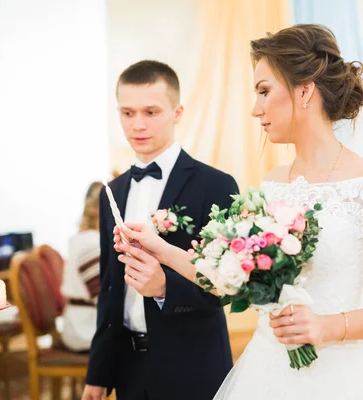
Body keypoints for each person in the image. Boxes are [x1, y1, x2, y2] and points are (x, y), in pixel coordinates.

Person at [114, 25, 363, 399]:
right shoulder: (272, 184)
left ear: (304, 91)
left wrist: (326, 327)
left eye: (264, 91)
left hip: (341, 378)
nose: (256, 109)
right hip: (266, 369)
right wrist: (160, 249)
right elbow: (228, 278)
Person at [82, 60, 239, 400]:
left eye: (151, 112)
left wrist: (165, 287)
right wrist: (98, 373)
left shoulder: (215, 185)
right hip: (128, 367)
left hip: (193, 363)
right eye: (127, 113)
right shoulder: (113, 190)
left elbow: (228, 286)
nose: (137, 124)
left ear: (177, 112)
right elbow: (110, 290)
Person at [60, 181, 104, 352]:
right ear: (94, 209)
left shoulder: (89, 239)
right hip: (85, 327)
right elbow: (102, 297)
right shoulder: (89, 243)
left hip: (86, 320)